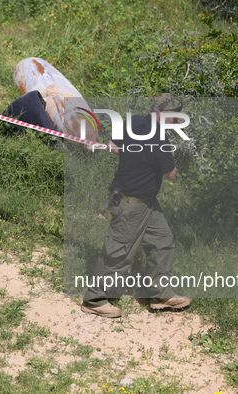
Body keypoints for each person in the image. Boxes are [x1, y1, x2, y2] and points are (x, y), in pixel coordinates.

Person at [81, 93, 191, 318]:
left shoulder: (132, 122)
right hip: (131, 204)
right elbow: (170, 174)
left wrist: (135, 156)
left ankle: (160, 294)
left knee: (162, 243)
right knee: (119, 253)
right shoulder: (160, 139)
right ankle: (94, 299)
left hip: (147, 203)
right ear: (165, 116)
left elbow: (112, 146)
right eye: (174, 117)